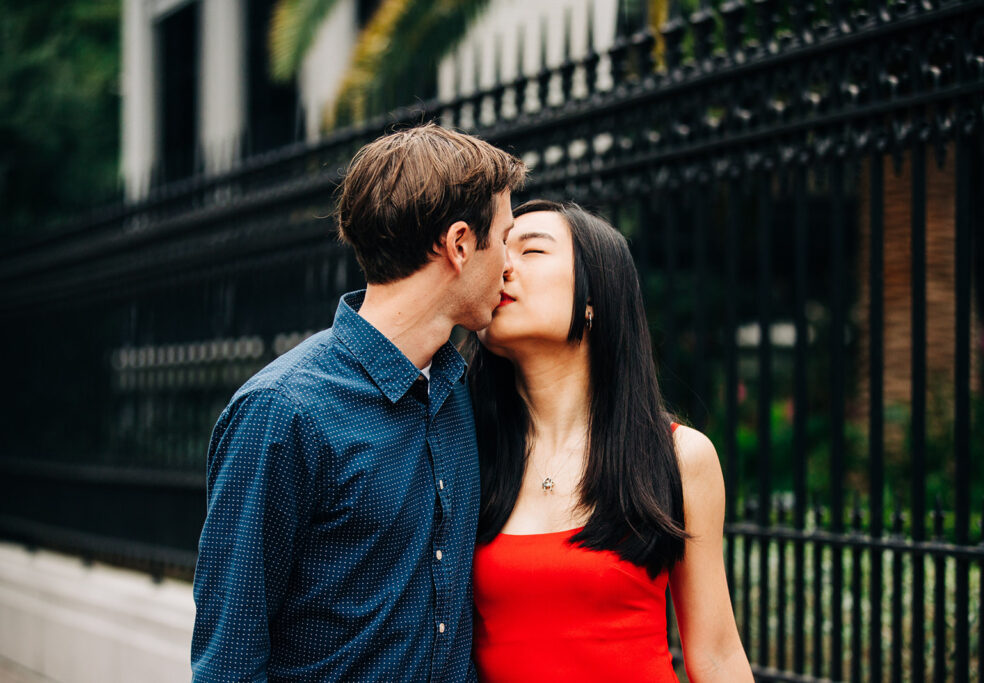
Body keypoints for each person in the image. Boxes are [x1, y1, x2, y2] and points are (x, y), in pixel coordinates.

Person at [191, 123, 526, 682]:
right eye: (506, 238)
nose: (510, 264)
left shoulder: (456, 393)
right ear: (461, 244)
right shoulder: (281, 413)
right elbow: (230, 660)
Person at [464, 200, 753, 682]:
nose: (502, 267)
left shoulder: (680, 457)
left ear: (595, 296)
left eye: (531, 251)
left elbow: (717, 655)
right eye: (497, 249)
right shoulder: (461, 452)